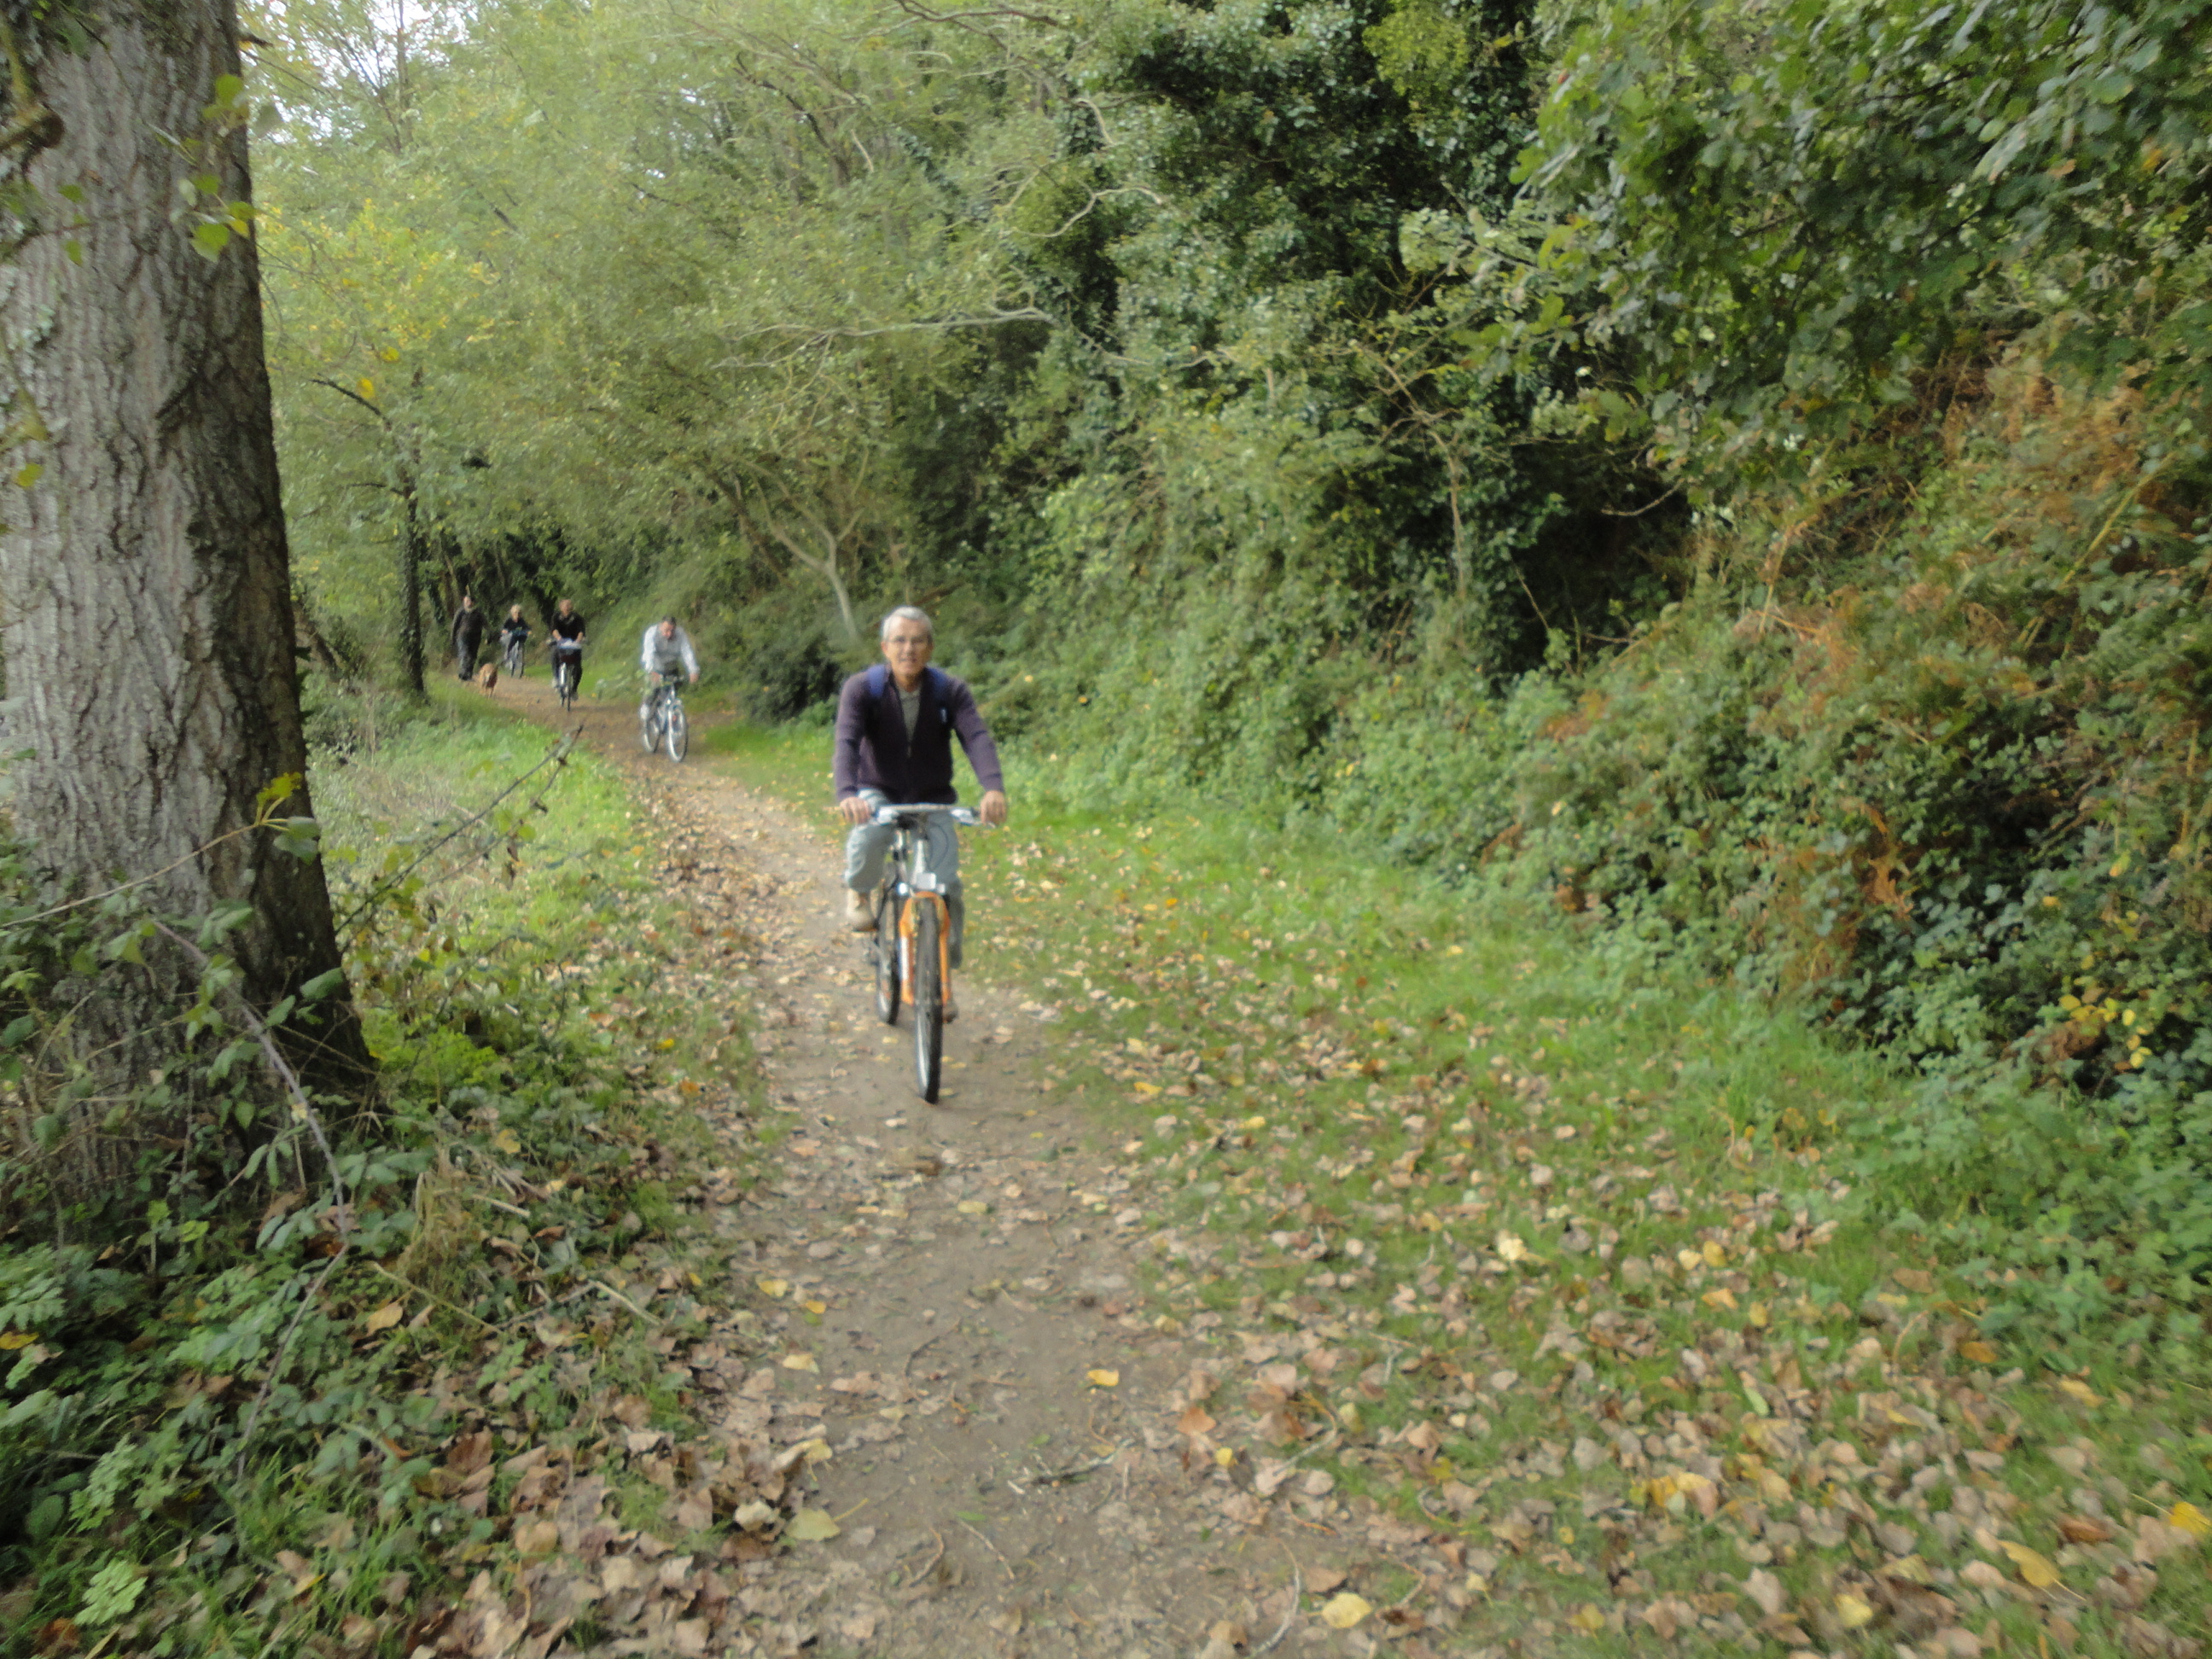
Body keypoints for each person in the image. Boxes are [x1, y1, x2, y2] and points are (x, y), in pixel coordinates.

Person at [832, 607, 1008, 999]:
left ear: (930, 648)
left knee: (947, 887)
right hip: (878, 789)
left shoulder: (950, 691)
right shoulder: (863, 689)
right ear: (885, 647)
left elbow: (976, 737)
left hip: (932, 797)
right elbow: (846, 741)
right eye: (900, 640)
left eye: (917, 640)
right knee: (870, 835)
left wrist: (992, 788)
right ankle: (859, 890)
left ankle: (942, 975)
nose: (908, 648)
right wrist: (847, 793)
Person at [549, 597, 585, 691]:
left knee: (578, 667)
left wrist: (578, 640)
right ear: (561, 607)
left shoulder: (577, 617)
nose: (568, 607)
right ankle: (556, 678)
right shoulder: (556, 617)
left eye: (570, 605)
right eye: (566, 605)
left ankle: (574, 689)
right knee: (554, 653)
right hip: (560, 641)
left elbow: (581, 631)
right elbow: (554, 629)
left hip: (573, 643)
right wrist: (559, 638)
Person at [451, 594, 486, 681]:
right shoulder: (460, 612)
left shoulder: (478, 613)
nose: (466, 603)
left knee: (473, 656)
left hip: (475, 638)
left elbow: (485, 624)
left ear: (473, 602)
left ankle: (469, 674)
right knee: (464, 654)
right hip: (462, 636)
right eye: (465, 601)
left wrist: (490, 634)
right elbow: (455, 625)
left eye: (468, 601)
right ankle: (463, 672)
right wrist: (452, 637)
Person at [500, 605, 531, 674]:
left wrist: (528, 631)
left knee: (520, 647)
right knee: (509, 645)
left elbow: (526, 628)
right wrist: (505, 631)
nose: (517, 615)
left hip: (519, 637)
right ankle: (507, 657)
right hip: (510, 637)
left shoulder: (522, 621)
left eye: (519, 613)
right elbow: (503, 629)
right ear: (512, 613)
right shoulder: (509, 621)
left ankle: (520, 662)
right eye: (515, 613)